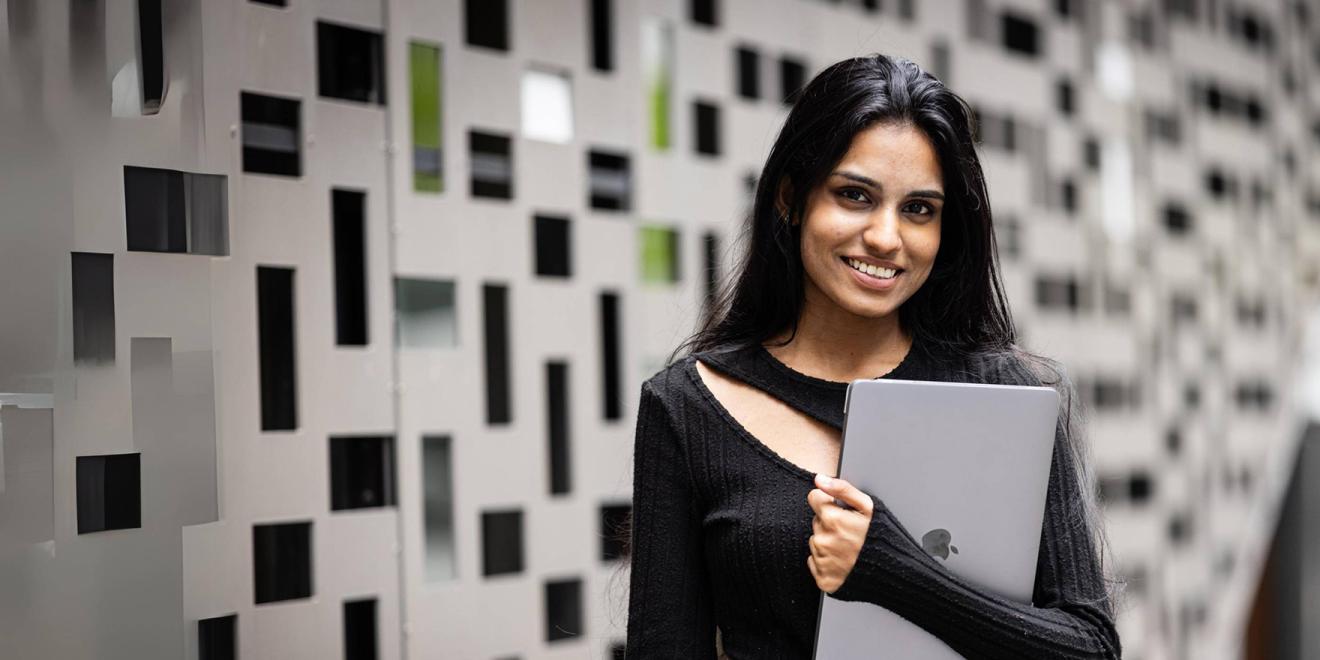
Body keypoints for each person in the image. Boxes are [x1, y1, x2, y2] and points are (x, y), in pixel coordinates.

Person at [622, 54, 1122, 659]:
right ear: (790, 198)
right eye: (855, 195)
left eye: (919, 209)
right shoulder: (687, 407)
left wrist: (894, 571)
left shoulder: (1009, 396)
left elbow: (1090, 649)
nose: (886, 237)